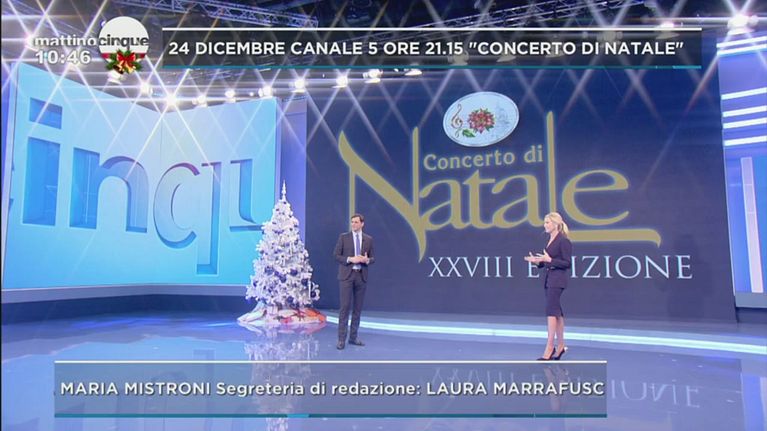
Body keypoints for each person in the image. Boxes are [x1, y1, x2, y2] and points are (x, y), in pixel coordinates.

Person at [524, 212, 572, 360]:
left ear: (556, 224)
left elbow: (567, 263)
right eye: (544, 222)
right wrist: (538, 262)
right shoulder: (550, 240)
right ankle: (561, 346)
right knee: (557, 312)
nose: (544, 225)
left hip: (557, 280)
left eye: (547, 222)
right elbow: (547, 261)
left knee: (551, 312)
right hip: (548, 278)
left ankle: (550, 347)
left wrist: (549, 260)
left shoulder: (563, 241)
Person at [333, 213, 375, 350]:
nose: (353, 224)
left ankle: (353, 337)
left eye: (356, 222)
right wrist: (350, 259)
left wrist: (367, 260)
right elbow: (336, 255)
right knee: (344, 308)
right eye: (352, 222)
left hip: (361, 277)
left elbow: (373, 258)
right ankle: (341, 339)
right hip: (347, 276)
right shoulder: (343, 237)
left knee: (357, 309)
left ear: (362, 224)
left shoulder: (368, 239)